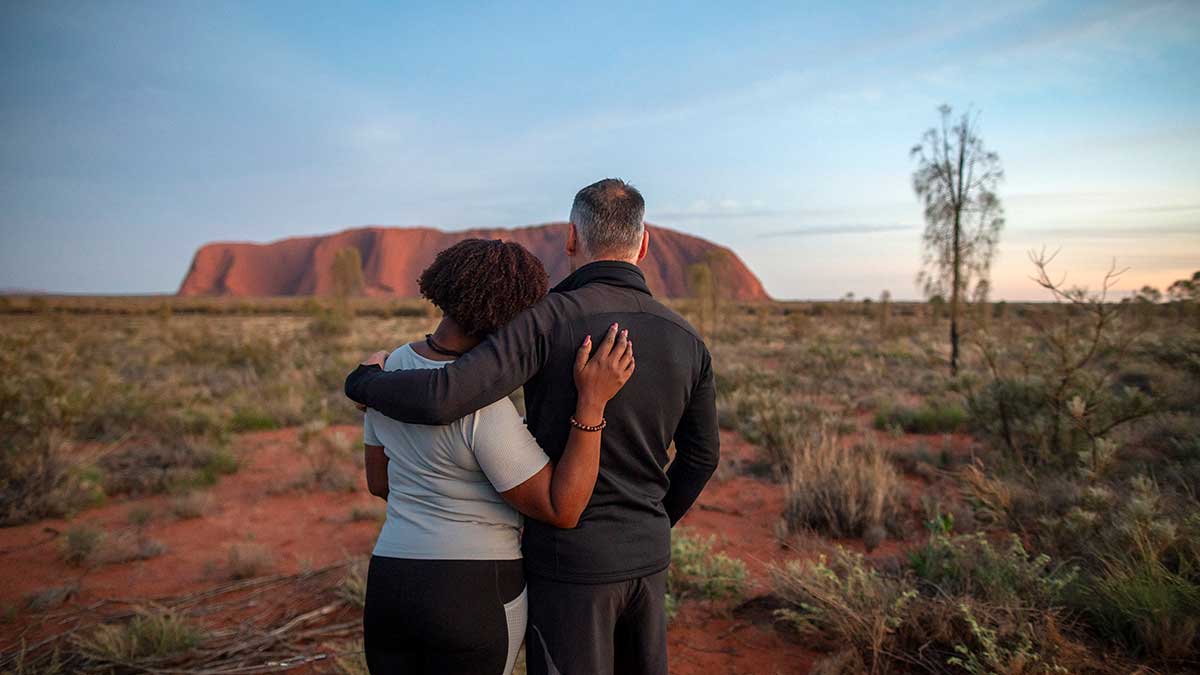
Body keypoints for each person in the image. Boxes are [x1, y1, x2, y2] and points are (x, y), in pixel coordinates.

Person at [346, 178, 720, 675]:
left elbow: (446, 396)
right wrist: (653, 522)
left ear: (571, 238)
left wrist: (367, 383)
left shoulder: (547, 320)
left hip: (568, 564)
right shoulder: (687, 338)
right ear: (644, 242)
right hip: (647, 560)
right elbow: (702, 456)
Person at [358, 238, 635, 675]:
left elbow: (379, 482)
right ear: (513, 316)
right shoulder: (483, 410)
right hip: (473, 589)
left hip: (391, 580)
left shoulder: (388, 372)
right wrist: (592, 405)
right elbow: (562, 508)